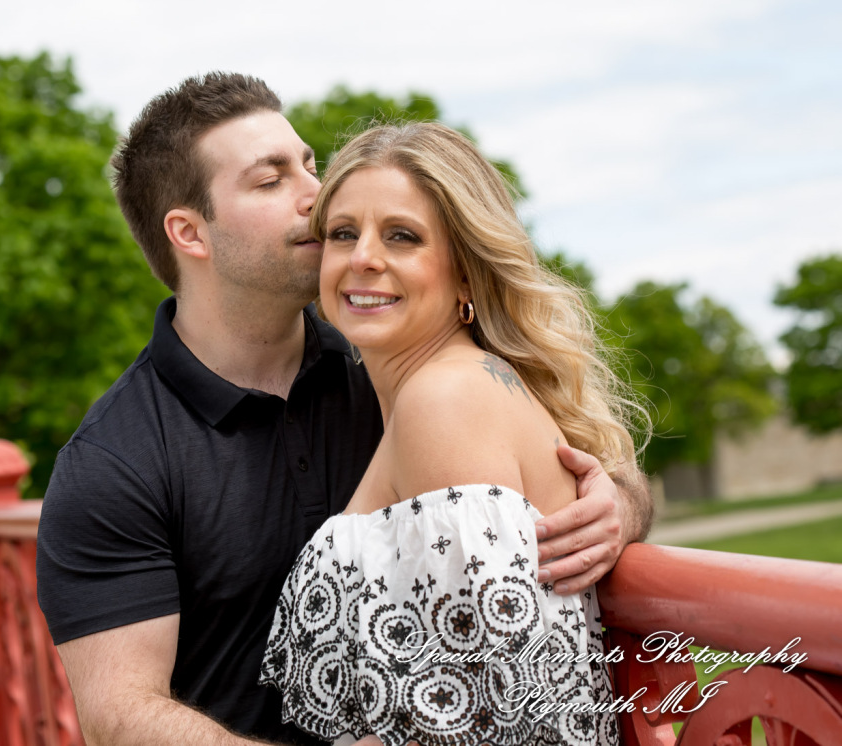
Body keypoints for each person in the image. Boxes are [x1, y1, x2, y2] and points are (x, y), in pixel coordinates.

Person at [36, 73, 653, 746]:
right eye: (271, 181)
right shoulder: (114, 459)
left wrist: (621, 501)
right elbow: (118, 716)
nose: (314, 195)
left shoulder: (405, 365)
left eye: (309, 165)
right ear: (189, 233)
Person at [259, 121, 646, 745]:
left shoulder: (446, 399)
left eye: (403, 237)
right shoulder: (445, 387)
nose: (363, 258)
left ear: (467, 275)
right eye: (343, 234)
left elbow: (477, 719)